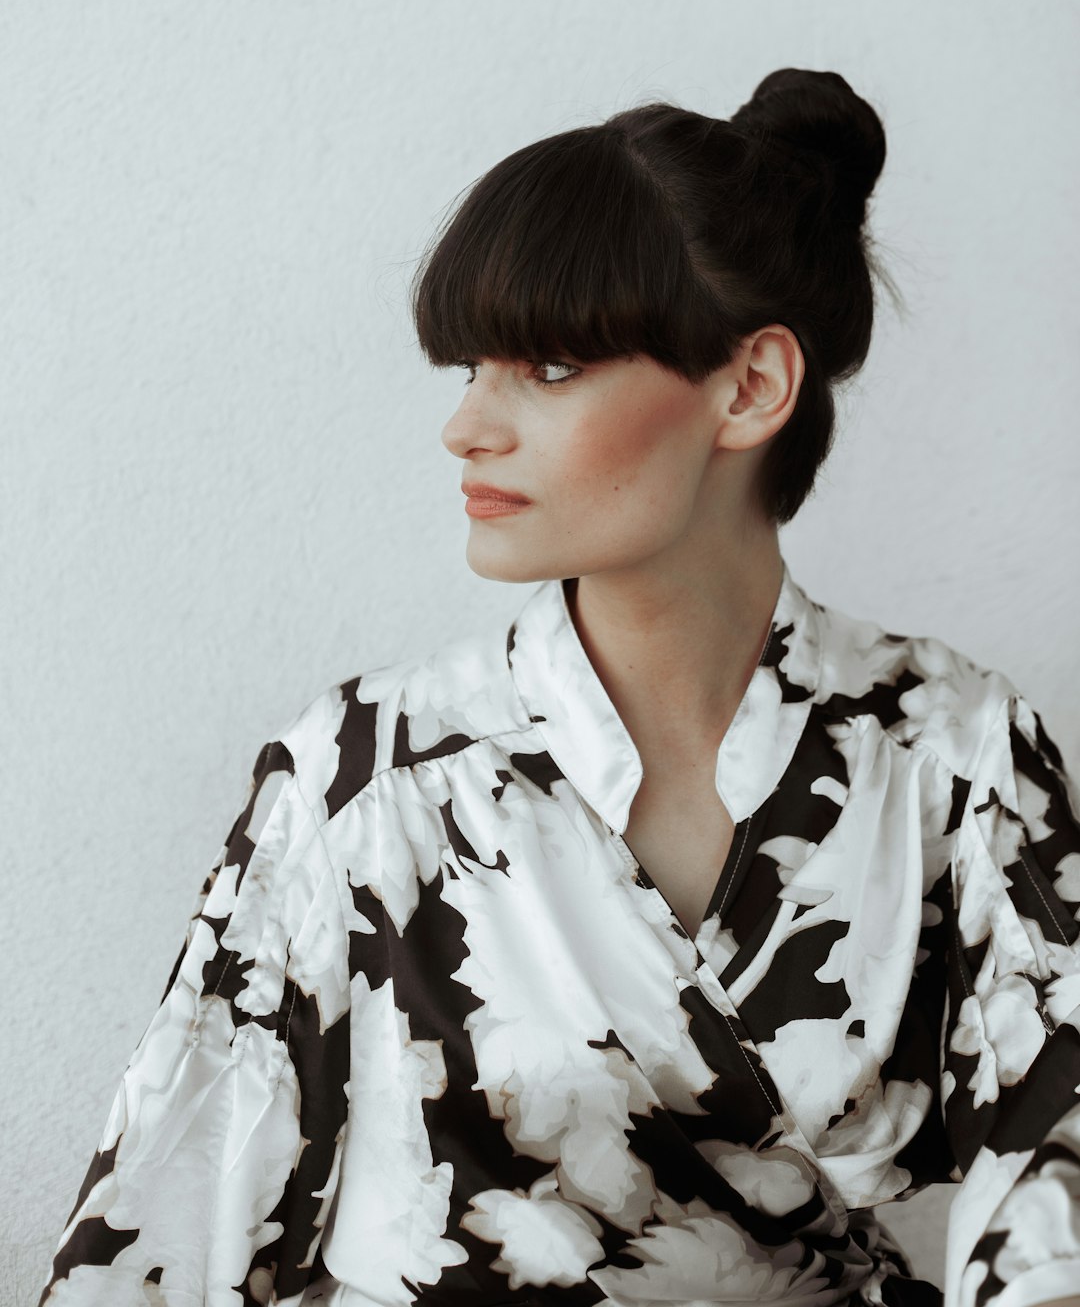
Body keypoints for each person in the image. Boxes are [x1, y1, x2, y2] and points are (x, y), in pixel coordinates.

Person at [37, 70, 1080, 1307]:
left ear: (751, 387)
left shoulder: (958, 756)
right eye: (468, 367)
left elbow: (1053, 1223)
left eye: (544, 364)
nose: (467, 426)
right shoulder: (366, 779)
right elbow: (158, 1241)